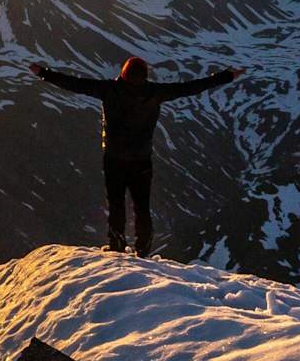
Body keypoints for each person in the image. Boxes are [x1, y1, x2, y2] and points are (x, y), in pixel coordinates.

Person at [30, 57, 245, 256]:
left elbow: (74, 84)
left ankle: (116, 246)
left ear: (123, 73)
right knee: (141, 206)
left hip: (114, 159)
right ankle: (143, 249)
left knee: (116, 204)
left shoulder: (109, 89)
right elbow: (191, 87)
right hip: (141, 160)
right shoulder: (155, 92)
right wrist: (227, 76)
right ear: (145, 75)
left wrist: (43, 72)